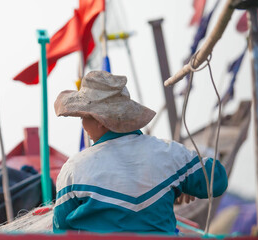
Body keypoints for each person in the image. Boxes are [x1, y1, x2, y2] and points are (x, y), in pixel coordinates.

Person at [52, 70, 228, 233]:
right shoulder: (171, 154)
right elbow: (217, 179)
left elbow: (60, 229)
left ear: (101, 121)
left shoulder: (74, 170)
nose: (83, 124)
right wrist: (182, 184)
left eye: (84, 117)